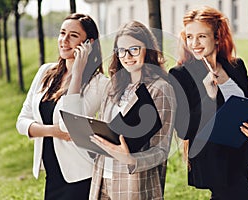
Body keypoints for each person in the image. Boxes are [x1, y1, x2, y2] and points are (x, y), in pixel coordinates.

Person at [63, 20, 176, 199]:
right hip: (102, 179)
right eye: (121, 50)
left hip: (133, 185)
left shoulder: (160, 89)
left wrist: (131, 159)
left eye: (134, 49)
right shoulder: (114, 85)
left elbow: (161, 150)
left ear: (147, 49)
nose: (127, 56)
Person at [169, 6, 248, 200]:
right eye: (189, 37)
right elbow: (183, 129)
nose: (194, 43)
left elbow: (243, 110)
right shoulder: (180, 75)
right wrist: (209, 97)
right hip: (212, 160)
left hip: (240, 155)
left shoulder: (236, 67)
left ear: (217, 37)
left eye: (201, 36)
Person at [16, 13, 108, 200]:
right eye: (62, 33)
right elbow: (21, 122)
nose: (64, 40)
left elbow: (69, 126)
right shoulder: (45, 72)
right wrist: (53, 131)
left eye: (73, 35)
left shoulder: (99, 84)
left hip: (80, 175)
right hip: (52, 173)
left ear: (88, 43)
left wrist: (77, 73)